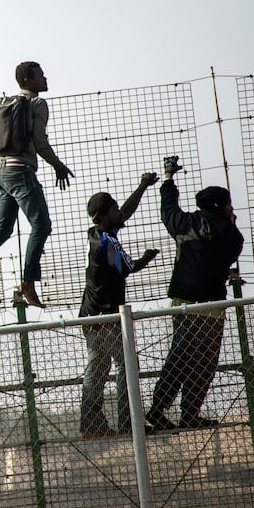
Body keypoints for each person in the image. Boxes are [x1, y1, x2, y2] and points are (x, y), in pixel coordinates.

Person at [0, 61, 74, 307]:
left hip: (1, 171)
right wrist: (58, 165)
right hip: (21, 172)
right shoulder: (37, 104)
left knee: (2, 229)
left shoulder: (8, 103)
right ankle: (29, 282)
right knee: (41, 225)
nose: (45, 78)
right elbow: (40, 142)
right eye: (40, 76)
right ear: (28, 80)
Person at [145, 156, 244, 431]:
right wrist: (232, 224)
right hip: (212, 306)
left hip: (183, 302)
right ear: (221, 207)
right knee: (204, 363)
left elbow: (168, 209)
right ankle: (190, 412)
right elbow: (232, 252)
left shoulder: (184, 223)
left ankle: (157, 409)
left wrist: (168, 178)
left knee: (178, 359)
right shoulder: (232, 235)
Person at [79, 173, 160, 439]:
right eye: (114, 209)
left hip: (91, 315)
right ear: (103, 216)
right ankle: (130, 422)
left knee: (97, 369)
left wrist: (143, 186)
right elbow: (128, 266)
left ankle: (92, 425)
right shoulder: (107, 241)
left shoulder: (98, 234)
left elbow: (125, 211)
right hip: (108, 316)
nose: (119, 213)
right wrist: (146, 258)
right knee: (126, 367)